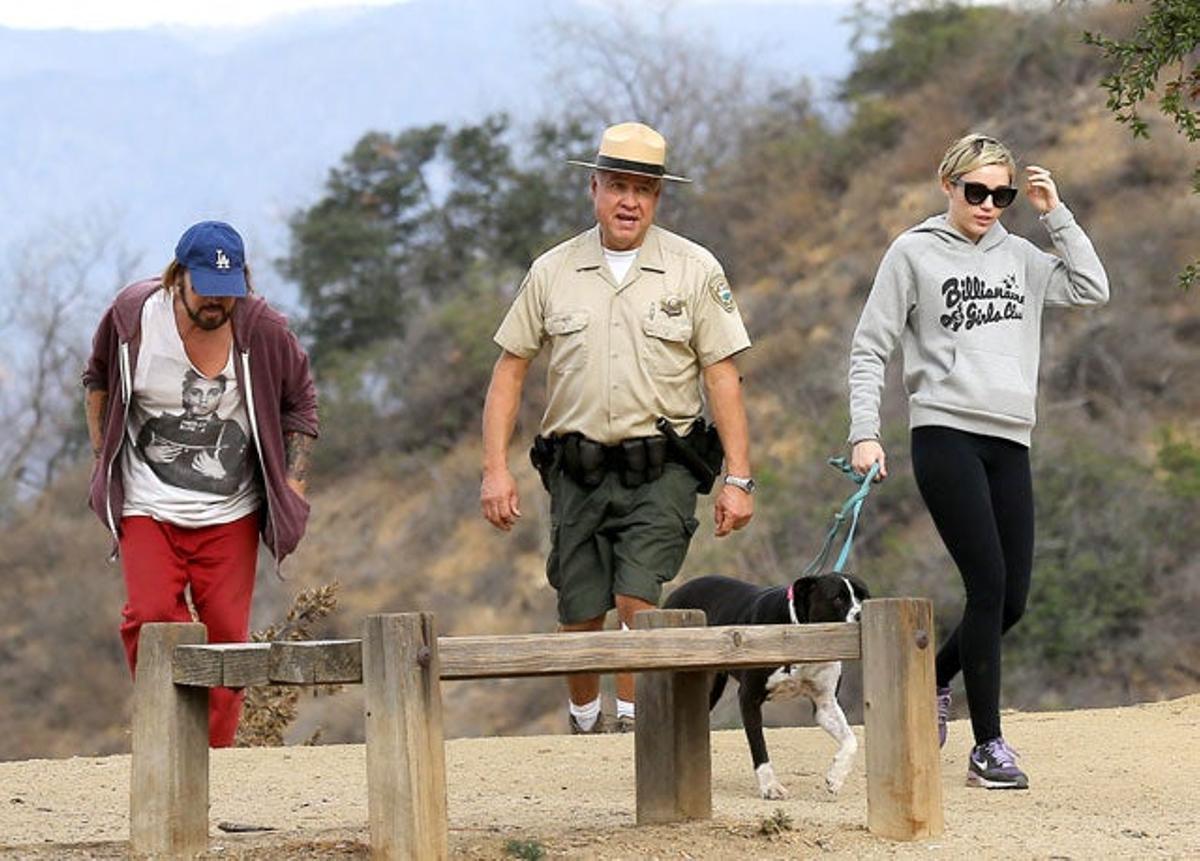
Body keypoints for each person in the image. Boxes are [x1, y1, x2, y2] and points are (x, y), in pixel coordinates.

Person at [847, 133, 1109, 789]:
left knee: (1012, 598)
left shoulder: (1021, 256)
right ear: (948, 184)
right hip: (945, 433)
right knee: (986, 582)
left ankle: (932, 677)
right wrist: (864, 431)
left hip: (1010, 438)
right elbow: (869, 347)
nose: (989, 205)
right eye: (977, 192)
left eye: (1002, 194)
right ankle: (987, 746)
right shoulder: (913, 252)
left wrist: (1055, 214)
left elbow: (1091, 286)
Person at [480, 122, 755, 734]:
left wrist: (739, 477)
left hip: (661, 469)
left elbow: (722, 376)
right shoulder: (552, 271)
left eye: (644, 190)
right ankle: (585, 722)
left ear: (658, 199)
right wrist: (495, 469)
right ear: (594, 188)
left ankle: (634, 724)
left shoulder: (693, 269)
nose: (630, 201)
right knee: (579, 609)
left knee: (637, 596)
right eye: (618, 186)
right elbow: (510, 369)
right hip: (577, 470)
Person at [83, 220, 318, 747]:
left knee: (226, 641)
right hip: (149, 502)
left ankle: (212, 758)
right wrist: (104, 459)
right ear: (178, 277)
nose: (217, 304)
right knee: (148, 617)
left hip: (231, 511)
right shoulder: (133, 317)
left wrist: (294, 488)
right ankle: (166, 736)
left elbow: (301, 402)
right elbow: (97, 377)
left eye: (228, 293)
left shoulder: (263, 329)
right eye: (207, 293)